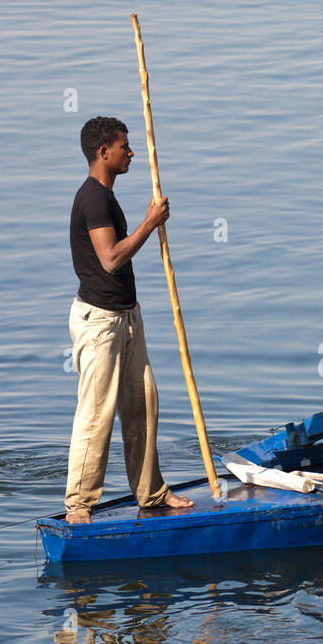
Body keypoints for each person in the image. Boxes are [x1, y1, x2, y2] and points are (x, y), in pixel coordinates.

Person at [64, 116, 192, 523]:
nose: (131, 152)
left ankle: (151, 492)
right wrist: (150, 224)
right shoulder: (94, 198)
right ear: (103, 152)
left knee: (143, 404)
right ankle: (79, 507)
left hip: (126, 316)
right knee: (97, 413)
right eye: (124, 145)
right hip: (100, 322)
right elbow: (111, 258)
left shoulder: (107, 195)